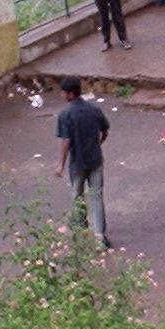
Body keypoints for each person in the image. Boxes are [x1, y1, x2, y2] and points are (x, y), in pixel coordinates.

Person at [54, 75, 111, 248]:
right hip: (95, 160)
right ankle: (99, 236)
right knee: (96, 196)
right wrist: (97, 144)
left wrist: (61, 164)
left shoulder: (65, 115)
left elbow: (66, 141)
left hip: (77, 163)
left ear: (70, 94)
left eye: (63, 92)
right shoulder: (94, 110)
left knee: (77, 196)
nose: (61, 95)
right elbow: (105, 130)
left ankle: (80, 229)